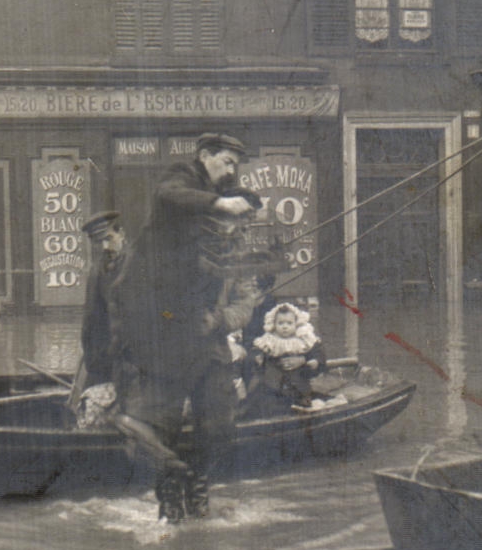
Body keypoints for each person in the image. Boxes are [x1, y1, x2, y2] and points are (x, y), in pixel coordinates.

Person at [110, 132, 265, 523]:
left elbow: (245, 302)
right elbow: (168, 194)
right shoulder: (182, 187)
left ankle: (198, 484)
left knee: (221, 424)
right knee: (158, 425)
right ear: (204, 156)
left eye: (235, 166)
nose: (231, 170)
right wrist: (218, 202)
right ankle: (170, 495)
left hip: (209, 341)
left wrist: (220, 319)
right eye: (226, 162)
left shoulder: (235, 247)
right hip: (169, 335)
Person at [69, 210, 125, 427]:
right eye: (99, 242)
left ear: (122, 234)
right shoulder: (97, 270)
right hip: (102, 359)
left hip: (129, 359)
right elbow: (91, 320)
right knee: (90, 409)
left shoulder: (135, 267)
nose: (105, 247)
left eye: (108, 239)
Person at [249, 302, 329, 411]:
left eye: (289, 323)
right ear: (274, 324)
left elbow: (318, 354)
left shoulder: (303, 339)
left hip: (298, 386)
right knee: (267, 403)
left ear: (296, 323)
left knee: (303, 404)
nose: (285, 327)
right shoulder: (269, 339)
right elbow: (257, 351)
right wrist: (259, 357)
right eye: (280, 323)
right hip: (273, 386)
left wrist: (308, 360)